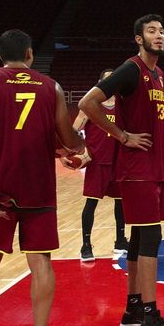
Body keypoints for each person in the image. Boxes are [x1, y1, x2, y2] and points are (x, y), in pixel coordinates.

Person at [0, 29, 83, 326]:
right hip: (38, 187)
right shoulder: (52, 87)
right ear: (30, 54)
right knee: (41, 263)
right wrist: (77, 147)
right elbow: (66, 137)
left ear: (0, 55)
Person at [78, 14, 164, 326]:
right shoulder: (131, 69)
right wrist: (122, 135)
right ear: (139, 38)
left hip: (152, 167)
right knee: (151, 238)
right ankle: (151, 320)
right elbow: (87, 103)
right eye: (152, 31)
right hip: (136, 169)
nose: (159, 35)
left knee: (139, 239)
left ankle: (134, 310)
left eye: (162, 30)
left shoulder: (158, 74)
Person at [63, 69, 128, 262]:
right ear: (100, 83)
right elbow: (73, 130)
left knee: (121, 204)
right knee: (91, 203)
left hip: (118, 162)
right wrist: (66, 153)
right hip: (97, 162)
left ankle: (120, 241)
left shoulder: (124, 105)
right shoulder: (90, 105)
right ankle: (86, 245)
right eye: (107, 80)